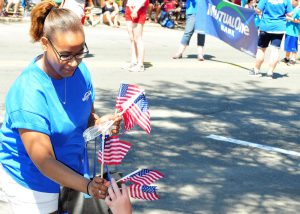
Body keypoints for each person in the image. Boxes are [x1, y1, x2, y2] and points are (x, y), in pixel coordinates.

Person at [0, 1, 121, 213]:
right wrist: (87, 186)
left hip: (71, 169)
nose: (74, 63)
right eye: (65, 55)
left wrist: (101, 123)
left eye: (80, 53)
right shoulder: (29, 92)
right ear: (45, 43)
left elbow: (86, 117)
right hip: (33, 179)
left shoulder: (80, 72)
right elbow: (44, 160)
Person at [250, 0, 293, 79]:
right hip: (279, 27)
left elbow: (258, 10)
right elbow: (290, 14)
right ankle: (270, 73)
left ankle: (256, 70)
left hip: (266, 26)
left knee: (261, 49)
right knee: (275, 50)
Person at [123, 0, 149, 72]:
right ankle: (134, 61)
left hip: (139, 8)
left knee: (138, 38)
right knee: (132, 37)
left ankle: (140, 64)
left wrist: (135, 10)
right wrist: (130, 8)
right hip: (129, 7)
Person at [281, 0, 300, 65]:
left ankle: (293, 59)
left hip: (294, 31)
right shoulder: (290, 9)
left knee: (293, 45)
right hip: (288, 30)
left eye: (293, 1)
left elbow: (299, 21)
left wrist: (290, 19)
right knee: (287, 45)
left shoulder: (298, 10)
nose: (292, 2)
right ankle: (287, 58)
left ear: (297, 1)